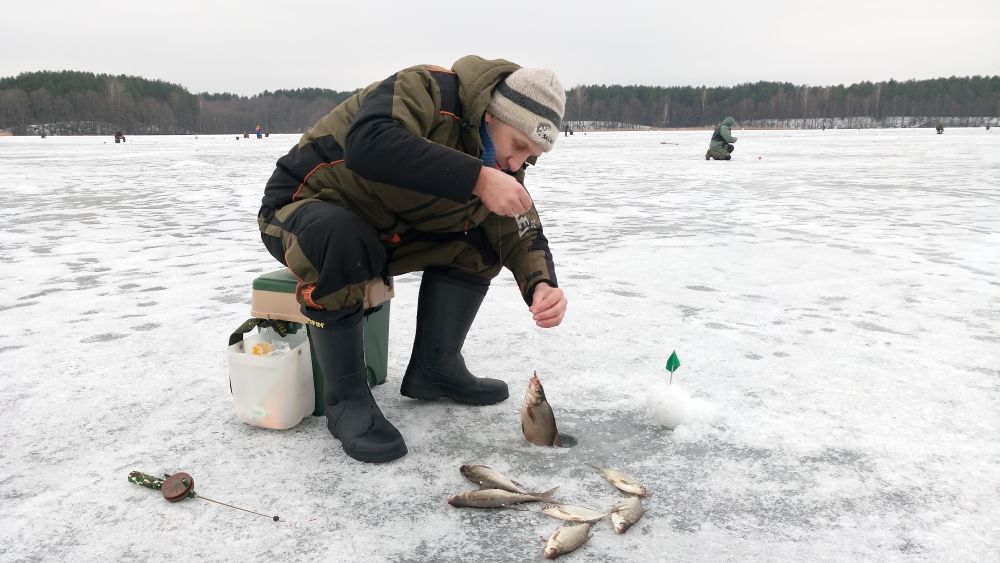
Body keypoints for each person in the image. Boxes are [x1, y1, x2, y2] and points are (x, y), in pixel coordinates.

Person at [257, 56, 568, 463]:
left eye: (529, 159)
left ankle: (435, 368)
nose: (516, 164)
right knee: (343, 237)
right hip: (298, 212)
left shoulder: (497, 164)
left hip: (380, 233)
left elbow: (517, 226)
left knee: (480, 240)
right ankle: (346, 400)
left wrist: (541, 284)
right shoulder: (426, 89)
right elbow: (370, 144)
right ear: (494, 115)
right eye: (519, 147)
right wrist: (477, 177)